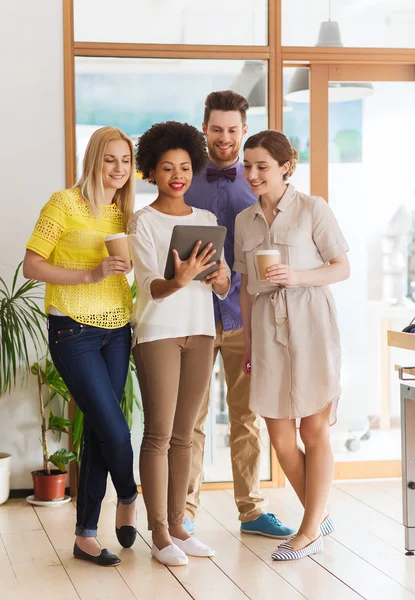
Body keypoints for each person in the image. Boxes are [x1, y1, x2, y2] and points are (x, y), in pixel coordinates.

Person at [23, 126, 138, 567]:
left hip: (117, 328)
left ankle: (86, 535)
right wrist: (89, 275)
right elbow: (33, 263)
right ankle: (128, 494)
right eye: (110, 159)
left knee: (97, 431)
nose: (118, 169)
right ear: (93, 159)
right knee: (115, 431)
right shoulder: (63, 203)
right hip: (72, 329)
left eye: (125, 161)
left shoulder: (123, 212)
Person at [234, 129, 350, 561]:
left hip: (311, 321)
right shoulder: (245, 221)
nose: (252, 174)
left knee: (313, 429)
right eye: (248, 166)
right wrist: (247, 344)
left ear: (286, 165)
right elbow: (247, 288)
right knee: (281, 438)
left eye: (261, 166)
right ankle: (317, 518)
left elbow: (341, 268)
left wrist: (296, 277)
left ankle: (308, 532)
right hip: (266, 328)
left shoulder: (312, 209)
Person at [184, 90, 295, 539]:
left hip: (244, 316)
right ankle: (183, 513)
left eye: (233, 130)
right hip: (191, 313)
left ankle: (250, 511)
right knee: (189, 418)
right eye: (216, 129)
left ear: (243, 130)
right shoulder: (185, 177)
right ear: (204, 127)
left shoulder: (259, 180)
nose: (225, 138)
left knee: (246, 417)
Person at [128, 121, 230, 566]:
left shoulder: (206, 220)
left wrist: (222, 279)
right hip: (158, 334)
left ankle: (179, 526)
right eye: (167, 167)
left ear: (194, 168)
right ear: (151, 170)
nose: (177, 175)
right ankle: (159, 534)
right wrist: (178, 279)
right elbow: (150, 284)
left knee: (186, 435)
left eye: (185, 167)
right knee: (159, 434)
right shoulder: (143, 221)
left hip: (201, 332)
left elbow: (220, 282)